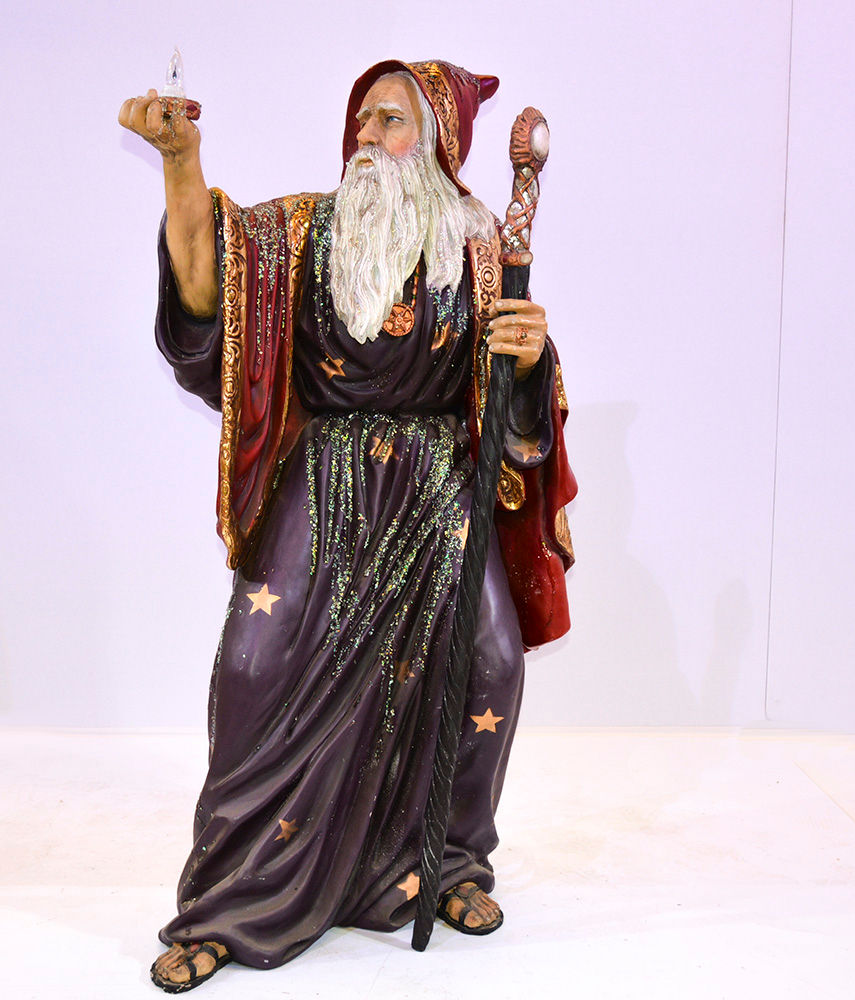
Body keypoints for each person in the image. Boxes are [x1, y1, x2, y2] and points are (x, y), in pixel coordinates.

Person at [118, 58, 576, 993]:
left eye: (392, 120)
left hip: (439, 489)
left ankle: (445, 861)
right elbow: (208, 293)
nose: (367, 135)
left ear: (439, 144)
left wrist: (528, 358)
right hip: (324, 484)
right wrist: (181, 162)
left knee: (489, 659)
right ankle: (231, 900)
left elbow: (517, 416)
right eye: (363, 117)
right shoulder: (303, 233)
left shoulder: (480, 248)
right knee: (255, 666)